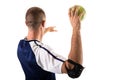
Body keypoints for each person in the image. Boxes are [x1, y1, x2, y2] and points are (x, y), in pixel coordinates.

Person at [17, 6, 84, 80]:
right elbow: (74, 69)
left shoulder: (21, 45)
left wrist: (46, 30)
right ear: (43, 23)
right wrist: (76, 29)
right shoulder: (40, 53)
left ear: (26, 23)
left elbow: (32, 40)